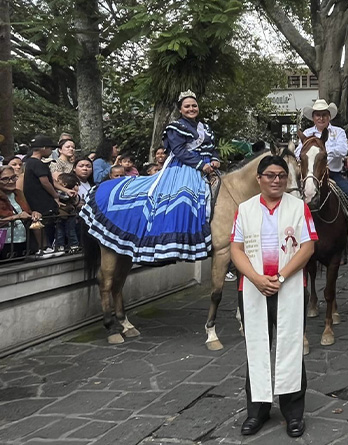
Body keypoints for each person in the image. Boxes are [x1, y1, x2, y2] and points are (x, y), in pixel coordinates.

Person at [229, 156, 316, 438]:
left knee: (290, 347)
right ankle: (257, 411)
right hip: (253, 288)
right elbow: (236, 249)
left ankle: (293, 412)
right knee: (256, 348)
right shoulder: (244, 210)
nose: (276, 180)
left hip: (288, 286)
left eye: (281, 175)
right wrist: (256, 279)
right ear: (259, 179)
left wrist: (280, 277)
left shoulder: (298, 207)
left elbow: (307, 247)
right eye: (270, 175)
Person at [81, 90, 218, 263]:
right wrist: (200, 164)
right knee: (183, 198)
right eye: (187, 106)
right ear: (181, 110)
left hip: (208, 167)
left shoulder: (205, 128)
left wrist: (215, 159)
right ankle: (173, 242)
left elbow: (214, 147)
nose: (191, 109)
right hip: (184, 167)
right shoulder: (175, 127)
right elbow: (179, 151)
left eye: (194, 105)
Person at [295, 99, 348, 254]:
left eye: (324, 115)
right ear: (313, 117)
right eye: (317, 115)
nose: (321, 118)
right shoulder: (306, 133)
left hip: (333, 174)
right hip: (310, 176)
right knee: (293, 201)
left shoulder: (338, 132)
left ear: (329, 116)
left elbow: (342, 150)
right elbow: (298, 153)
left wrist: (321, 151)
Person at [23, 135, 62, 258]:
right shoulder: (38, 164)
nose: (51, 151)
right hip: (40, 199)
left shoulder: (28, 162)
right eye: (50, 148)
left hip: (32, 198)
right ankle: (44, 247)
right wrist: (55, 195)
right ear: (44, 148)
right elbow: (45, 181)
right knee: (43, 222)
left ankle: (46, 247)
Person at [0, 165, 41, 259]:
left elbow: (26, 212)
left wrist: (34, 214)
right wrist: (15, 217)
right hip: (4, 243)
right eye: (5, 179)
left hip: (22, 241)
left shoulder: (18, 193)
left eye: (13, 177)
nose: (11, 181)